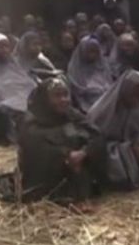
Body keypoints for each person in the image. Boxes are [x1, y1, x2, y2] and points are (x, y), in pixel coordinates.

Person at [7, 77, 107, 208]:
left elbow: (97, 135)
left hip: (75, 166)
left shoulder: (71, 114)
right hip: (41, 178)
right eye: (57, 96)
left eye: (66, 95)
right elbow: (38, 149)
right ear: (45, 99)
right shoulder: (31, 122)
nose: (63, 100)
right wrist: (66, 155)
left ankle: (80, 195)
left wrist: (84, 152)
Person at [86, 70, 139, 189]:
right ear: (124, 90)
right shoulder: (103, 110)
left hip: (131, 148)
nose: (137, 99)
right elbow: (96, 144)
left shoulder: (138, 107)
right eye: (134, 94)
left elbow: (137, 132)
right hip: (110, 154)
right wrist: (129, 149)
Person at [66, 36, 115, 112]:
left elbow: (110, 85)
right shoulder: (75, 69)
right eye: (90, 51)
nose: (93, 54)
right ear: (82, 51)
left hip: (109, 105)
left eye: (96, 51)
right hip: (87, 108)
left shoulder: (103, 66)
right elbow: (77, 94)